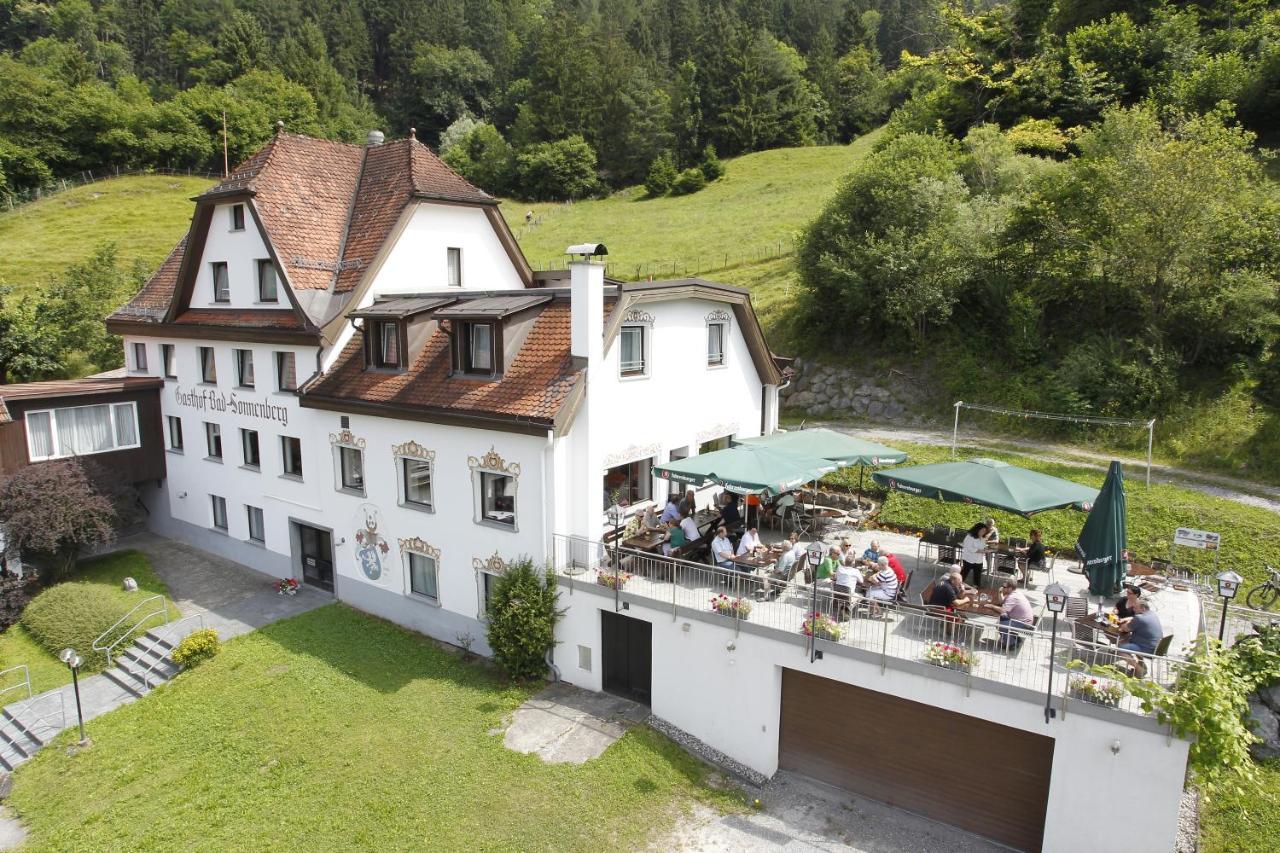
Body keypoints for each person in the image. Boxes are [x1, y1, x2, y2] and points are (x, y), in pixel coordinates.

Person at [985, 579, 1035, 649]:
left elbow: (1003, 610)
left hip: (1024, 624)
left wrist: (992, 606)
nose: (1002, 588)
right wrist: (1000, 592)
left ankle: (1011, 644)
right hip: (1025, 620)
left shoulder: (1012, 597)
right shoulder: (1015, 593)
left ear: (1010, 588)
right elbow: (1001, 602)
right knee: (1003, 618)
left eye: (1004, 587)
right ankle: (1015, 638)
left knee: (1000, 624)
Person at [960, 522, 990, 588]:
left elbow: (983, 546)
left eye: (985, 531)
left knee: (978, 575)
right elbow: (969, 548)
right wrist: (982, 551)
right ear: (977, 529)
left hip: (979, 560)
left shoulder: (983, 538)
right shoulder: (969, 536)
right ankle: (958, 585)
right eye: (982, 530)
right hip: (969, 559)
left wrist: (986, 549)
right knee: (964, 573)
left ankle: (976, 587)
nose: (984, 532)